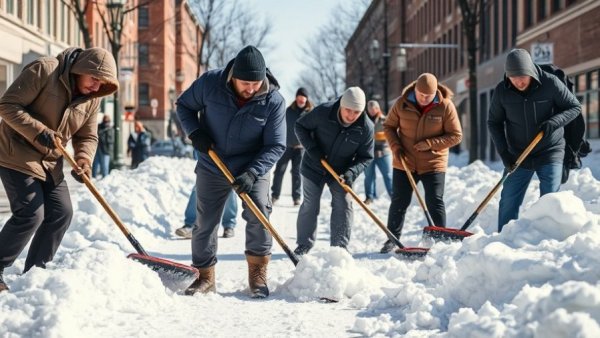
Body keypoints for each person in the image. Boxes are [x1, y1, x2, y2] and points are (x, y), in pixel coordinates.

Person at [0, 47, 118, 292]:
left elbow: (88, 135)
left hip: (51, 160)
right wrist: (40, 132)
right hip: (16, 152)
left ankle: (35, 273)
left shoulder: (91, 99)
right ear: (80, 69)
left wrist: (84, 160)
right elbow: (8, 105)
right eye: (94, 78)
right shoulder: (45, 69)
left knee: (62, 212)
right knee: (31, 213)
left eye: (102, 83)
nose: (97, 87)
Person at [176, 45, 285, 298]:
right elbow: (184, 105)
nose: (251, 89)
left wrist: (253, 172)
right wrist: (195, 132)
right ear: (233, 76)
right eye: (245, 83)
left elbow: (276, 144)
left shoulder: (274, 100)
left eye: (256, 83)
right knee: (205, 221)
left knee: (259, 213)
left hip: (252, 165)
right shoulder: (210, 83)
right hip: (213, 160)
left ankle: (257, 274)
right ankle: (204, 276)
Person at [488, 48, 581, 232]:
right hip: (519, 154)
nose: (518, 82)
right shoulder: (502, 91)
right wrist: (504, 153)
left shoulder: (550, 83)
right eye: (513, 78)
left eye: (522, 76)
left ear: (531, 72)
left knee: (549, 199)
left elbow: (574, 107)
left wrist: (554, 122)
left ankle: (546, 241)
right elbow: (494, 122)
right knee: (508, 200)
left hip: (550, 150)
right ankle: (503, 240)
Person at [381, 73, 462, 253]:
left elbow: (456, 135)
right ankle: (392, 239)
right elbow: (389, 126)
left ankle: (440, 239)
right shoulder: (402, 103)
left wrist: (430, 144)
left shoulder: (445, 106)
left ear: (435, 92)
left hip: (433, 162)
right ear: (415, 89)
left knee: (434, 199)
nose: (424, 99)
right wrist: (395, 146)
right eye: (421, 94)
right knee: (399, 201)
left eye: (428, 96)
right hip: (405, 160)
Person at [293, 87, 374, 256]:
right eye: (348, 110)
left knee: (344, 204)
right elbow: (300, 126)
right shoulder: (323, 112)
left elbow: (365, 157)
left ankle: (339, 249)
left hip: (340, 172)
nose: (351, 116)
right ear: (341, 105)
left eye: (356, 112)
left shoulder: (366, 127)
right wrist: (312, 149)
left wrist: (351, 173)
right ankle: (303, 245)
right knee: (310, 204)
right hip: (313, 166)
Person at [271, 87, 313, 206]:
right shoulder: (289, 111)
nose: (301, 99)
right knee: (279, 170)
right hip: (287, 146)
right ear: (296, 97)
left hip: (301, 149)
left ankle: (296, 197)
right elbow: (279, 126)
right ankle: (275, 195)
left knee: (297, 173)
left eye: (303, 97)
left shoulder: (311, 112)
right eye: (299, 97)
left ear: (306, 98)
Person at [363, 100, 393, 204]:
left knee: (388, 175)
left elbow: (390, 135)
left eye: (373, 108)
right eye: (369, 108)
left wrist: (379, 137)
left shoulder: (385, 120)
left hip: (383, 152)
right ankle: (369, 197)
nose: (371, 110)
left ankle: (393, 196)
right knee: (369, 177)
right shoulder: (364, 121)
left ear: (378, 108)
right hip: (368, 153)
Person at [92, 114, 114, 178]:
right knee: (95, 164)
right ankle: (94, 177)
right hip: (97, 148)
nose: (106, 123)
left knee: (105, 165)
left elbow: (110, 140)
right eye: (105, 121)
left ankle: (105, 178)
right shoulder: (99, 127)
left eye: (107, 121)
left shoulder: (110, 129)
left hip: (106, 150)